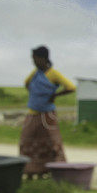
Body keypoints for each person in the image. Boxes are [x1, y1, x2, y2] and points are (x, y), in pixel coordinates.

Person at [20, 45, 76, 177]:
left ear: (43, 59)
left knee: (52, 141)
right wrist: (35, 95)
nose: (33, 62)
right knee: (27, 140)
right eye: (32, 59)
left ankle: (58, 170)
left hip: (47, 114)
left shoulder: (53, 74)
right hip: (32, 113)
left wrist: (54, 95)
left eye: (35, 59)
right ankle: (32, 170)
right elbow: (26, 83)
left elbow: (71, 87)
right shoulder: (35, 73)